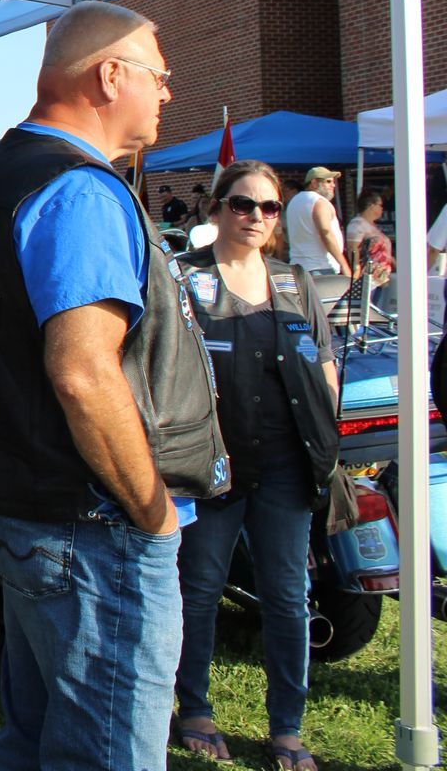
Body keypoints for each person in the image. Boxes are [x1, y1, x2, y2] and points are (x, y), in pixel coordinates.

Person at [0, 0, 229, 771]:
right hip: (91, 520)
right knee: (106, 753)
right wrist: (154, 513)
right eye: (159, 77)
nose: (166, 94)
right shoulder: (79, 190)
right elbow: (83, 371)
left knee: (33, 737)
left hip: (26, 504)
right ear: (109, 75)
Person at [173, 161, 338, 771]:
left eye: (269, 208)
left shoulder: (294, 282)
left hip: (286, 468)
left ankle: (287, 728)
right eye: (243, 205)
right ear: (216, 208)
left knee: (287, 598)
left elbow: (323, 369)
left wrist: (327, 441)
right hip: (212, 469)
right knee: (199, 592)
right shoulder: (183, 281)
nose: (257, 219)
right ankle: (194, 708)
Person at [284, 167, 351, 277]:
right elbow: (326, 233)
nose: (333, 186)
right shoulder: (319, 202)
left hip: (298, 267)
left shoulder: (294, 202)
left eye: (333, 182)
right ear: (314, 183)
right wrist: (344, 264)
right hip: (321, 267)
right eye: (328, 181)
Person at [344, 189, 394, 291]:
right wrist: (355, 269)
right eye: (380, 205)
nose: (382, 208)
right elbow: (352, 248)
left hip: (381, 278)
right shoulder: (357, 224)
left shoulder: (372, 226)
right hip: (368, 278)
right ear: (372, 205)